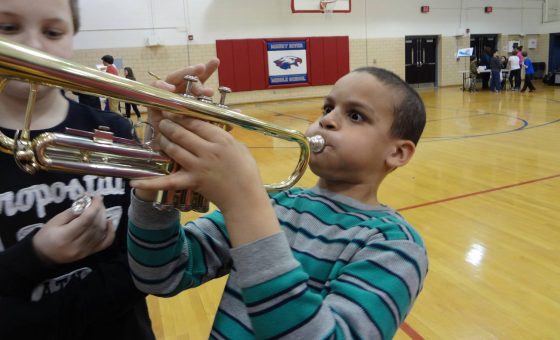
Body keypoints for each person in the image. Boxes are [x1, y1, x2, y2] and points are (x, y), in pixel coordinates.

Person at [127, 66, 429, 339]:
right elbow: (160, 274)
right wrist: (160, 167)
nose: (327, 120)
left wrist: (244, 204)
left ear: (398, 153)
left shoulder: (396, 247)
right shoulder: (277, 205)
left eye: (355, 116)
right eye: (328, 107)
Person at [0, 0, 172, 338]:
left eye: (52, 32)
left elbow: (144, 263)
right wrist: (37, 255)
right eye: (8, 28)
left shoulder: (115, 130)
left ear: (72, 38)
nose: (33, 47)